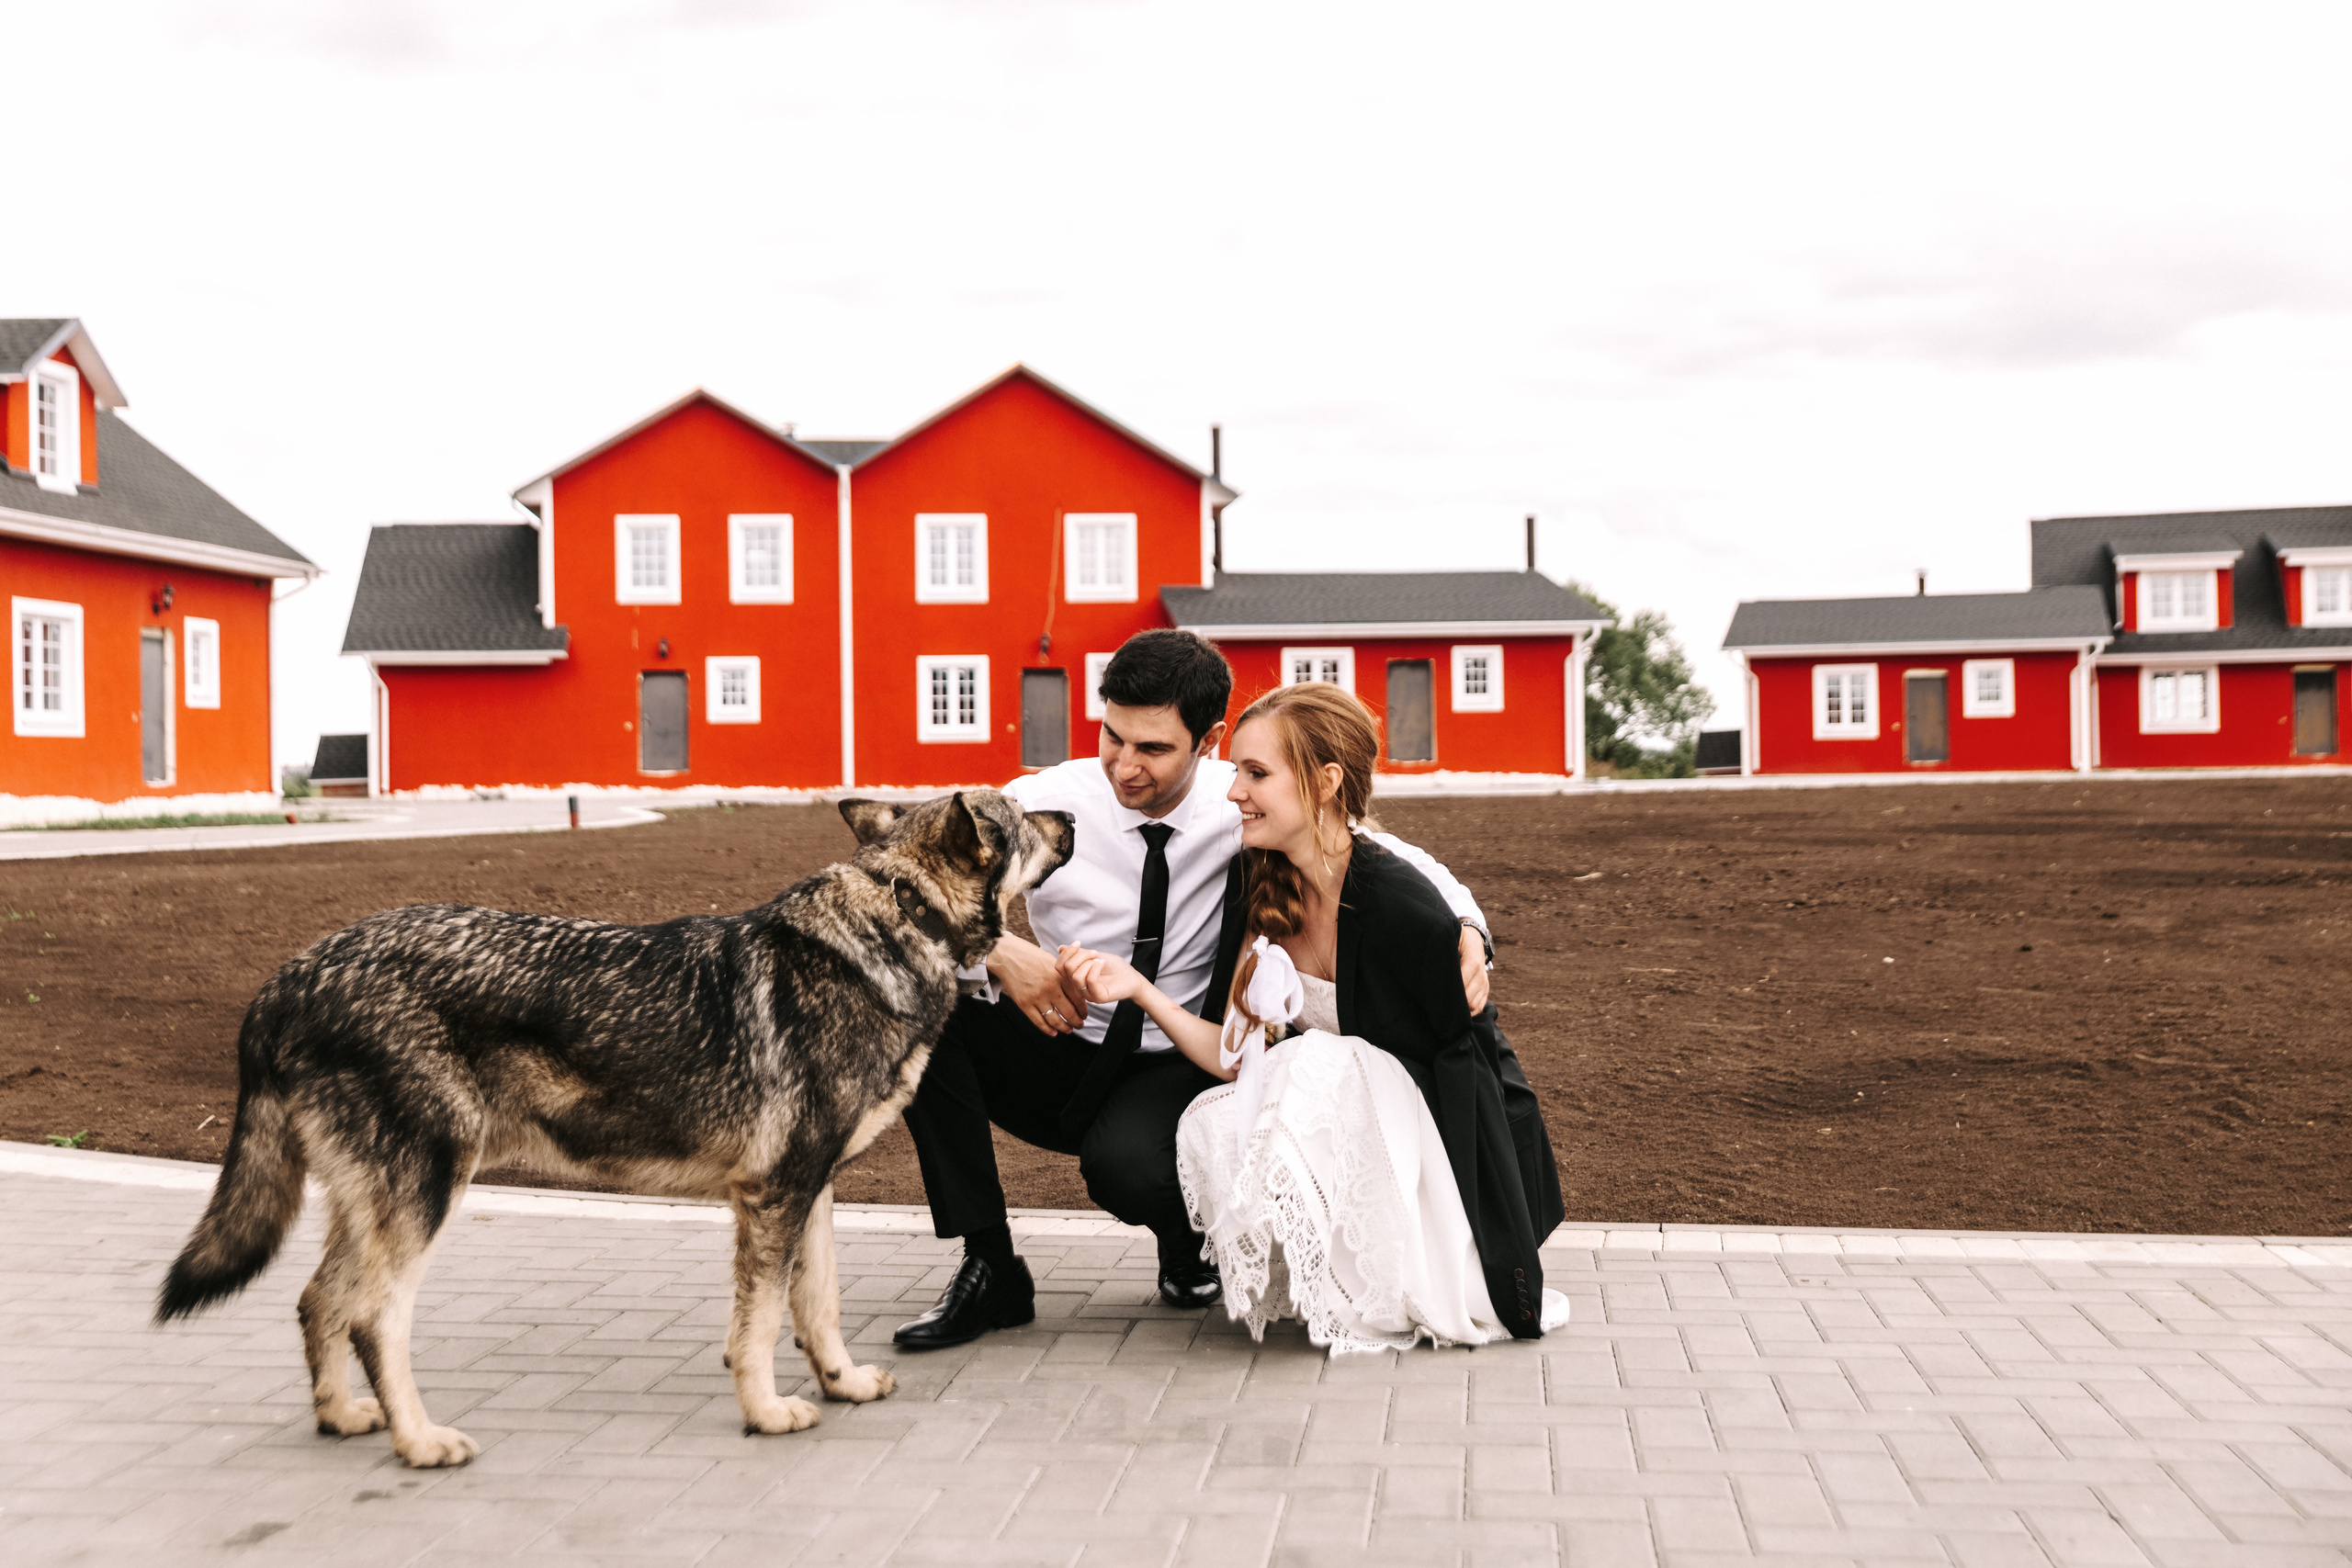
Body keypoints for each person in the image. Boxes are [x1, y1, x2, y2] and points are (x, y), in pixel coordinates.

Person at [892, 630, 1497, 1349]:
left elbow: (1390, 852)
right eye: (1112, 735)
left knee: (1126, 1169)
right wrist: (998, 948)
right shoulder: (1040, 804)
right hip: (1057, 1035)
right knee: (913, 998)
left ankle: (1186, 1240)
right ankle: (990, 1264)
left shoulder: (1243, 798)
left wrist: (1467, 925)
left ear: (1209, 739)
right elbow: (900, 878)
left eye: (1153, 749)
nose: (1124, 764)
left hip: (1174, 1058)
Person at [1058, 681, 1567, 1353]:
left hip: (1455, 1143)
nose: (1234, 790)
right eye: (1236, 768)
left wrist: (1498, 1247)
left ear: (1326, 781)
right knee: (1226, 1105)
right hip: (1367, 1134)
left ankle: (1402, 1260)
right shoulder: (1259, 882)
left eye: (1256, 773)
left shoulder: (1400, 907)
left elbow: (1469, 1074)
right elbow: (1235, 1054)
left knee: (1316, 1061)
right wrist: (1140, 991)